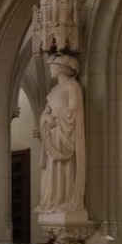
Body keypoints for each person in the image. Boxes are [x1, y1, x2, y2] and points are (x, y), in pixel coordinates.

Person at [37, 53, 85, 215]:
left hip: (63, 133)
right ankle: (52, 202)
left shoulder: (72, 86)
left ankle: (63, 201)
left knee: (63, 171)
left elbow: (74, 111)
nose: (50, 69)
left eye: (53, 65)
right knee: (51, 171)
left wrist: (56, 118)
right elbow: (45, 112)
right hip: (53, 135)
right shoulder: (54, 90)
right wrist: (46, 118)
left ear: (62, 68)